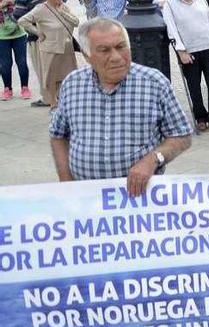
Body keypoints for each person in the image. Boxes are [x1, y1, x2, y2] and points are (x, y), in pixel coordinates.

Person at [49, 17, 192, 197]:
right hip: (85, 196)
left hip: (140, 198)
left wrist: (153, 159)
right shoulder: (72, 84)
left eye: (121, 47)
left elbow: (181, 135)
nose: (116, 57)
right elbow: (58, 135)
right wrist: (65, 181)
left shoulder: (154, 83)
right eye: (104, 50)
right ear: (87, 56)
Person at [163, 0, 209, 132]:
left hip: (208, 46)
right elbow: (172, 30)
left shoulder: (200, 0)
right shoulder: (169, 5)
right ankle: (200, 117)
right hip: (189, 51)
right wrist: (181, 51)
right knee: (194, 85)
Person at [17, 0, 79, 109]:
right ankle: (53, 103)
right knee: (51, 77)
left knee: (68, 76)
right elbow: (22, 20)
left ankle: (66, 100)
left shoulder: (63, 7)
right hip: (50, 49)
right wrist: (37, 32)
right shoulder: (41, 9)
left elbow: (76, 22)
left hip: (67, 48)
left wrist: (62, 12)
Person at [13, 0, 47, 107]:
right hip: (54, 35)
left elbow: (18, 17)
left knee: (41, 68)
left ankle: (46, 98)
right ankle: (57, 95)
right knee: (52, 67)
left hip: (36, 37)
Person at [0, 0, 30, 101]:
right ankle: (7, 89)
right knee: (5, 64)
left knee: (22, 62)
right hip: (2, 37)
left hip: (19, 35)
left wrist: (14, 3)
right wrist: (2, 4)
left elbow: (26, 11)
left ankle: (25, 88)